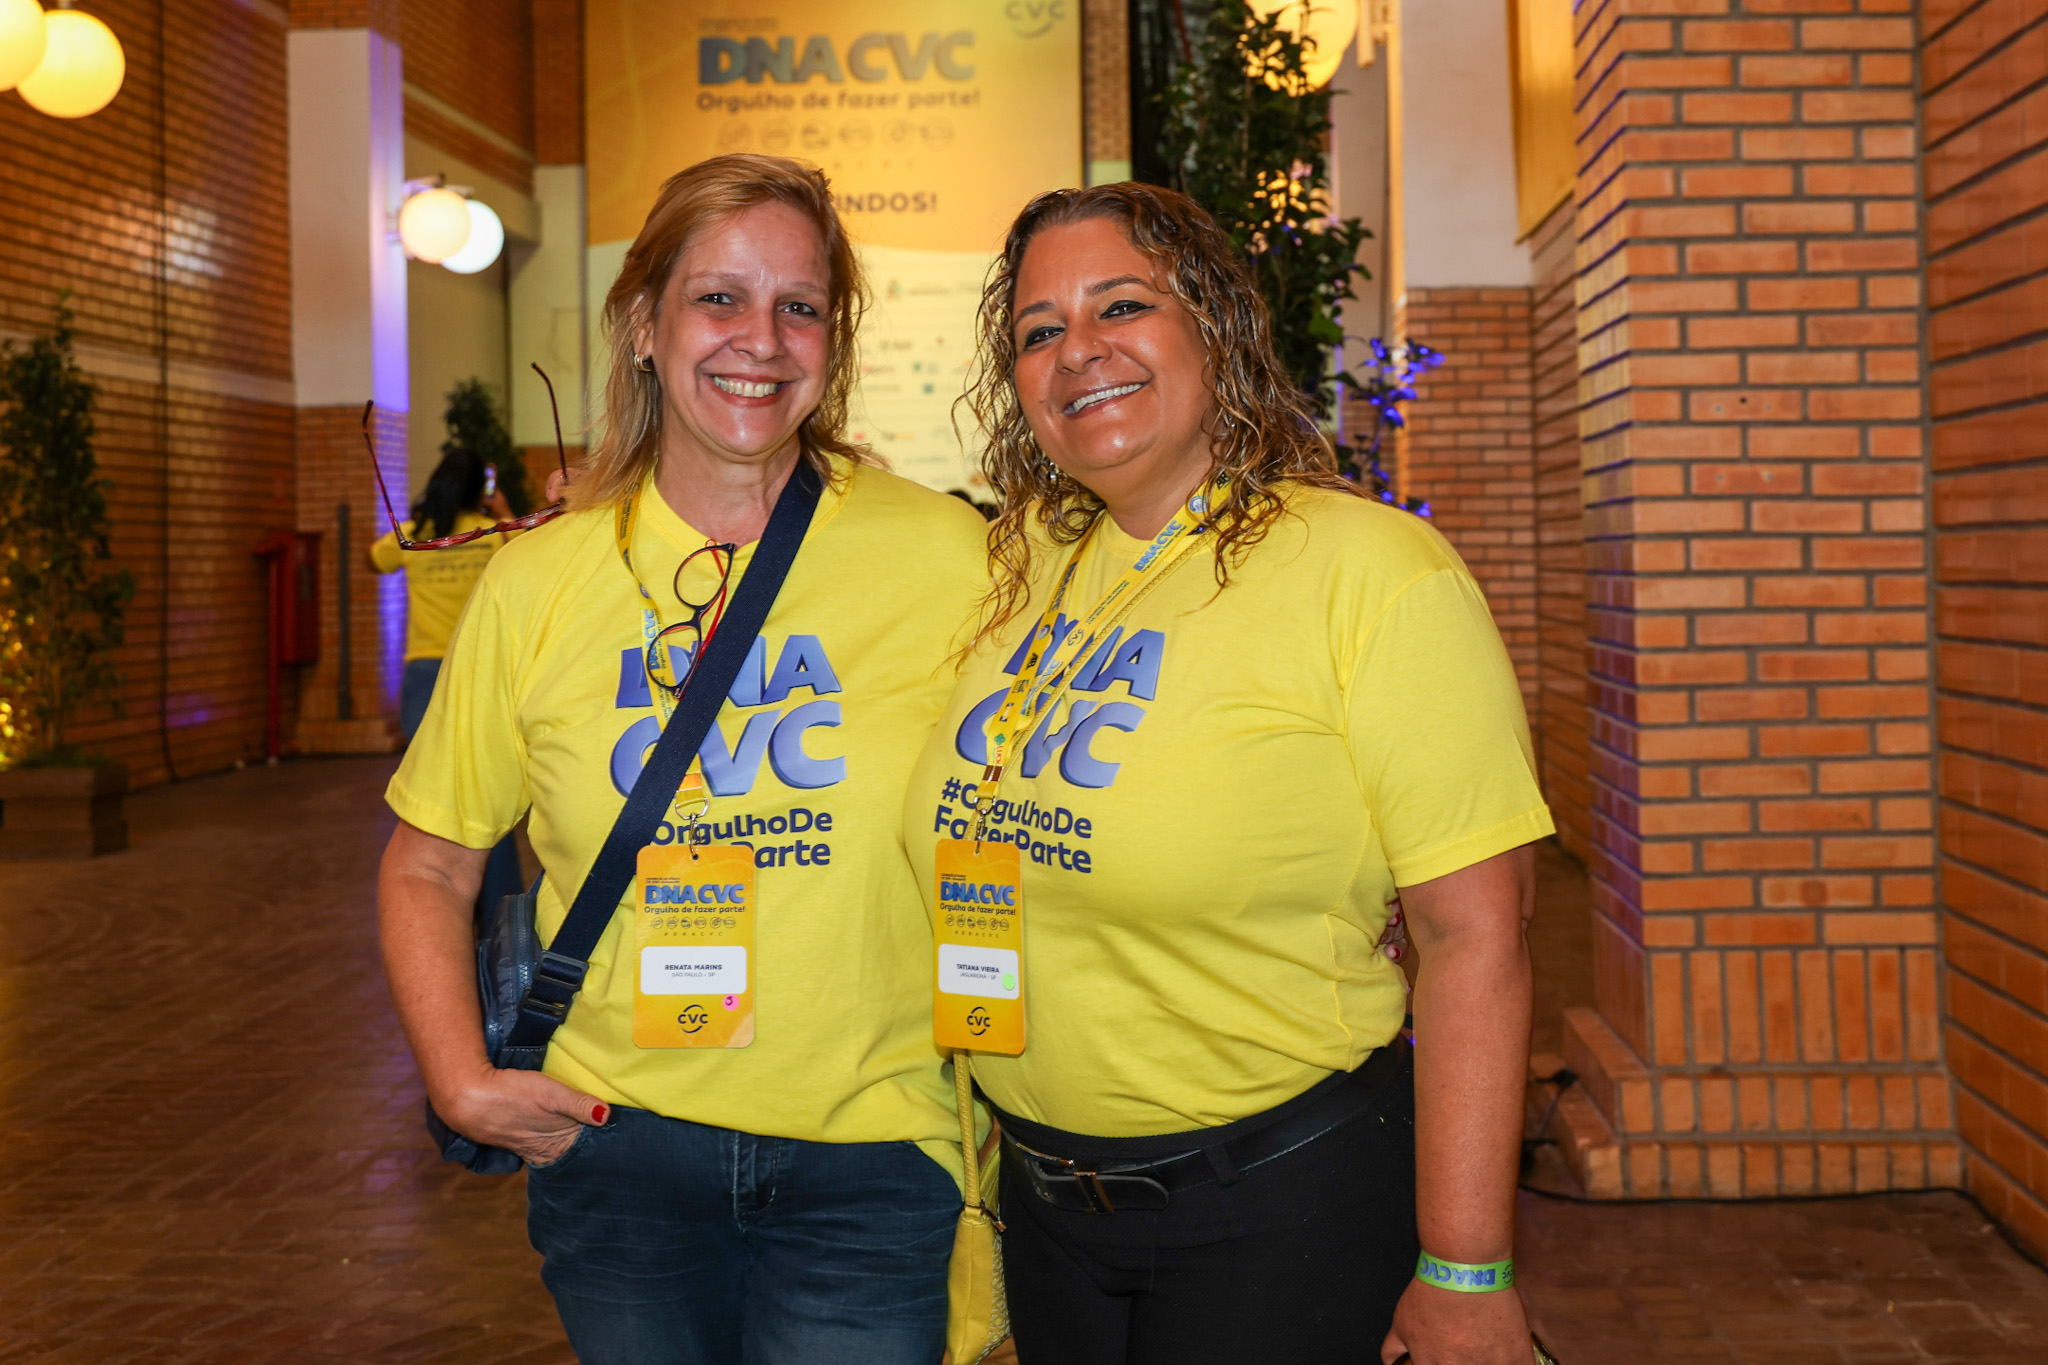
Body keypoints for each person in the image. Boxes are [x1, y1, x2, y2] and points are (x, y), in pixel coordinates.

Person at [905, 183, 1554, 1364]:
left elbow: (1476, 939)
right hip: (1048, 1212)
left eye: (1120, 306)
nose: (1077, 351)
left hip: (1274, 1206)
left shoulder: (1370, 574)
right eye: (1038, 331)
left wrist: (1465, 1269)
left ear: (1213, 322)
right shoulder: (1018, 573)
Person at [376, 154, 990, 1365]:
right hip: (616, 1143)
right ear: (644, 325)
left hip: (870, 1152)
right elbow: (429, 864)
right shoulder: (539, 581)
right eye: (719, 298)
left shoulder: (947, 556)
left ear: (835, 336)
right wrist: (458, 1078)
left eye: (799, 306)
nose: (759, 340)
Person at [370, 450, 524, 915]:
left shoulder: (414, 537)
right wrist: (502, 513)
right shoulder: (485, 534)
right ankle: (500, 915)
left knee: (436, 808)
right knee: (487, 800)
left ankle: (441, 912)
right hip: (479, 673)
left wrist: (419, 513)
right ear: (481, 487)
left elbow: (374, 560)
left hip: (421, 681)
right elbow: (528, 554)